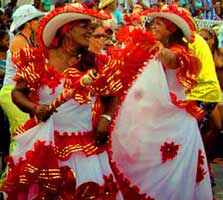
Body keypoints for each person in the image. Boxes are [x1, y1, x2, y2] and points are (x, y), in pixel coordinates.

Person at [1, 3, 124, 199]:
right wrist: (36, 107)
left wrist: (106, 119)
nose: (91, 31)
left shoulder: (97, 62)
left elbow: (112, 97)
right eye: (84, 26)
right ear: (67, 30)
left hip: (85, 147)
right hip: (44, 147)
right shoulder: (39, 60)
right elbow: (18, 93)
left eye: (91, 27)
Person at [108, 4, 213, 199]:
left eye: (158, 23)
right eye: (153, 22)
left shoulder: (181, 52)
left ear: (171, 28)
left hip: (174, 128)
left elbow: (173, 60)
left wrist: (160, 51)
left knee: (174, 178)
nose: (153, 26)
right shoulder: (151, 50)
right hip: (151, 124)